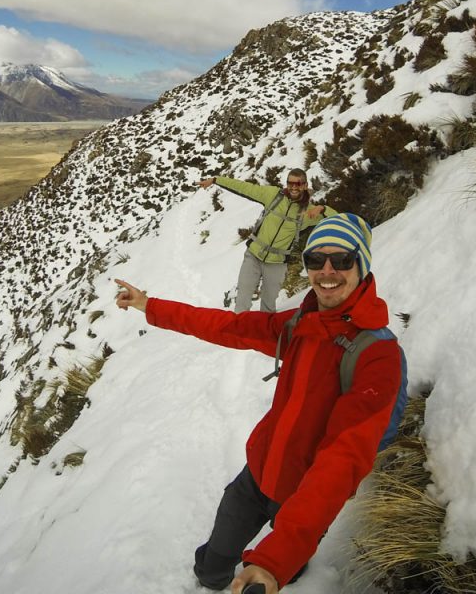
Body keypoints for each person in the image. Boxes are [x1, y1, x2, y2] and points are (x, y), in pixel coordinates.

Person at [115, 213, 407, 594]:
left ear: (362, 265)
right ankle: (211, 579)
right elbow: (228, 327)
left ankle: (285, 566)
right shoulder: (300, 325)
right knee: (214, 562)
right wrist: (149, 306)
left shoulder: (377, 356)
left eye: (342, 259)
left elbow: (343, 459)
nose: (327, 271)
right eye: (316, 260)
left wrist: (273, 562)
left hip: (304, 492)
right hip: (257, 472)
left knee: (286, 560)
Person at [198, 169, 335, 313]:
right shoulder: (273, 195)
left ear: (305, 185)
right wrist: (215, 180)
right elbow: (244, 188)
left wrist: (322, 208)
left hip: (277, 262)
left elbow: (339, 218)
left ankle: (264, 333)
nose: (294, 187)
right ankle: (237, 331)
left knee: (268, 306)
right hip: (253, 255)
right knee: (242, 300)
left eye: (298, 184)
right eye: (290, 183)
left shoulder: (309, 212)